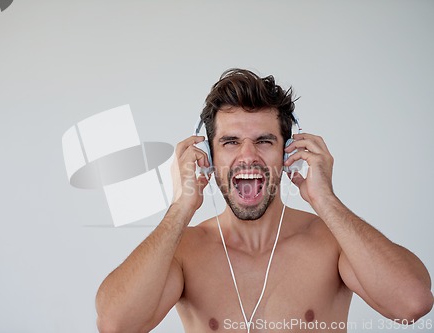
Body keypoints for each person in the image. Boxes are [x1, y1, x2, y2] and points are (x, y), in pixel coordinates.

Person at [95, 69, 433, 332]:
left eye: (264, 141)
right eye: (230, 142)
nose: (248, 156)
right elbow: (115, 325)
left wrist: (324, 199)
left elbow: (412, 304)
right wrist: (179, 209)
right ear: (208, 157)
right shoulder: (184, 249)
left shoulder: (331, 241)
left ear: (288, 151)